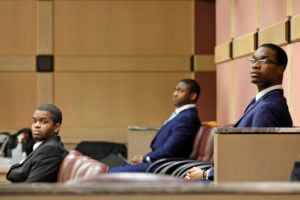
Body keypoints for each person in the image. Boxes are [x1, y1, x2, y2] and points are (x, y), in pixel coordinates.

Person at [185, 43, 293, 181]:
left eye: (264, 61)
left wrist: (206, 174)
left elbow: (254, 160)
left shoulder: (268, 107)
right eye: (253, 60)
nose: (255, 65)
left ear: (280, 69)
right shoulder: (261, 102)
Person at [109, 79, 201, 172]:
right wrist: (144, 158)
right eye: (175, 90)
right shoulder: (182, 115)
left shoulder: (187, 118)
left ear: (192, 96)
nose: (175, 94)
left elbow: (169, 151)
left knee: (111, 173)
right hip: (159, 163)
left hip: (165, 167)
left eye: (180, 91)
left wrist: (144, 159)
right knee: (111, 172)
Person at [6, 104, 68, 183]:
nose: (36, 125)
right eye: (35, 121)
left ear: (56, 128)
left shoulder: (49, 150)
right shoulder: (44, 145)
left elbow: (31, 188)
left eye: (44, 122)